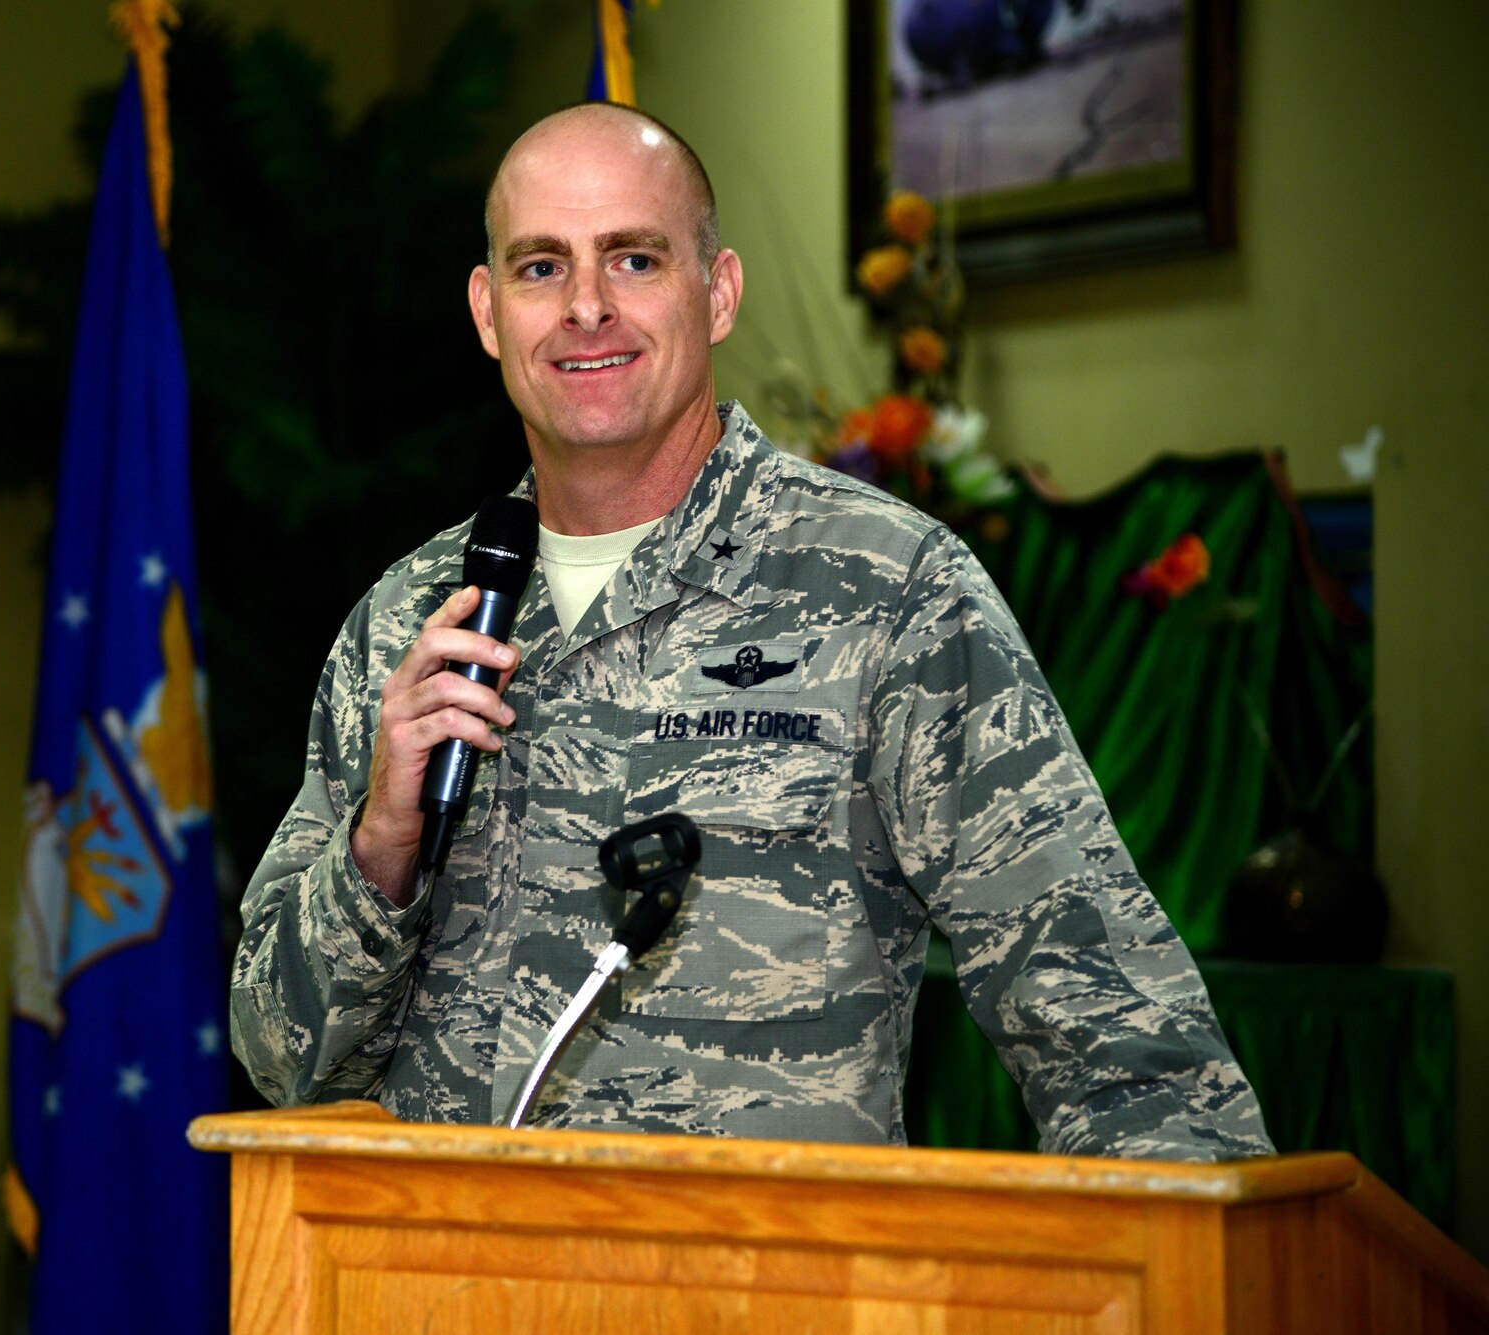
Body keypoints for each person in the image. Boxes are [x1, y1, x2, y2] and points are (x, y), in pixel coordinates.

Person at [229, 102, 1272, 1159]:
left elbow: (1106, 1016)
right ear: (488, 312)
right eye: (540, 268)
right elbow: (280, 1060)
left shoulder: (886, 588)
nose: (585, 307)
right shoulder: (411, 620)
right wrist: (379, 851)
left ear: (716, 293)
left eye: (633, 259)